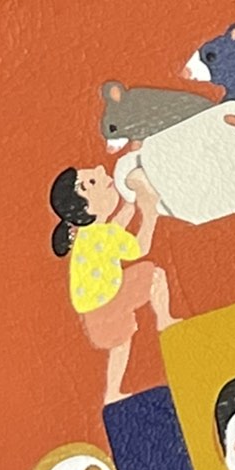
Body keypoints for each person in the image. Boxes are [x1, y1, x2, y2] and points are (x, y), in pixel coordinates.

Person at [48, 161, 177, 404]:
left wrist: (131, 202)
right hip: (108, 302)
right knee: (154, 276)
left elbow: (117, 226)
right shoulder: (101, 235)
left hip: (97, 305)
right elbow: (140, 248)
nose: (100, 169)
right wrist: (149, 212)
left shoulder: (90, 233)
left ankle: (112, 392)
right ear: (86, 208)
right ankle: (164, 320)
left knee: (120, 346)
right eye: (92, 182)